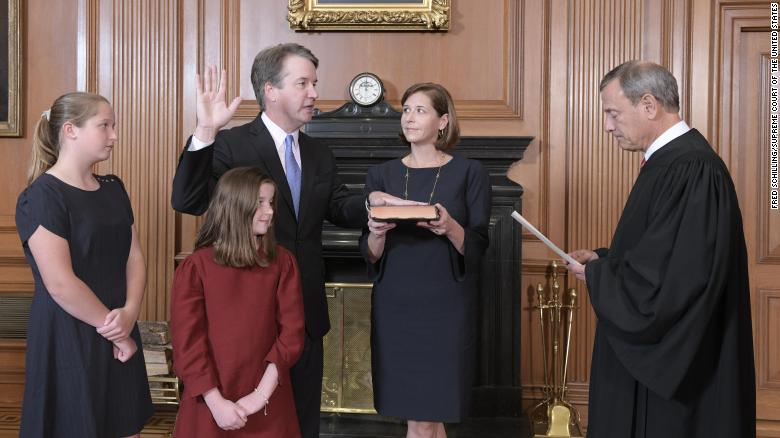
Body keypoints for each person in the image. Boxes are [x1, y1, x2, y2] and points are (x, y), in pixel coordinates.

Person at [171, 43, 400, 437]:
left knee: (301, 425)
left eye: (314, 82)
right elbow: (188, 200)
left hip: (304, 317)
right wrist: (206, 129)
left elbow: (337, 205)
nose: (314, 92)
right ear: (271, 91)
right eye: (303, 83)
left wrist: (371, 204)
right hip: (249, 321)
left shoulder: (319, 153)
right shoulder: (232, 144)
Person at [564, 61, 756, 438]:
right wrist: (606, 261)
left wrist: (601, 276)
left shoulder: (693, 169)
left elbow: (676, 280)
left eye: (612, 113)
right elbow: (660, 252)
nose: (607, 126)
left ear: (649, 105)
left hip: (685, 371)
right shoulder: (673, 163)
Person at [15, 92, 153, 437]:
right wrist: (116, 332)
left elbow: (134, 256)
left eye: (113, 125)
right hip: (68, 333)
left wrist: (129, 314)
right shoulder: (42, 196)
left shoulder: (114, 188)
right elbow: (60, 283)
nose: (114, 135)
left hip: (119, 322)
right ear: (70, 130)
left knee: (125, 425)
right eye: (104, 126)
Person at [361, 83, 491, 438]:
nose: (409, 117)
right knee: (422, 417)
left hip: (445, 305)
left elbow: (479, 246)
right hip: (396, 304)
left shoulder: (470, 173)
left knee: (428, 414)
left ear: (443, 121)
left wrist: (449, 227)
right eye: (405, 110)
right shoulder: (381, 175)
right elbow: (370, 255)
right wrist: (376, 231)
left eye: (420, 110)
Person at [170, 167, 305, 437]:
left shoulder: (283, 262)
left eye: (271, 202)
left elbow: (292, 335)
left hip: (269, 400)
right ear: (234, 206)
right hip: (208, 400)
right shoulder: (196, 267)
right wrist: (216, 402)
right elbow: (188, 343)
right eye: (260, 203)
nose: (269, 211)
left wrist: (259, 396)